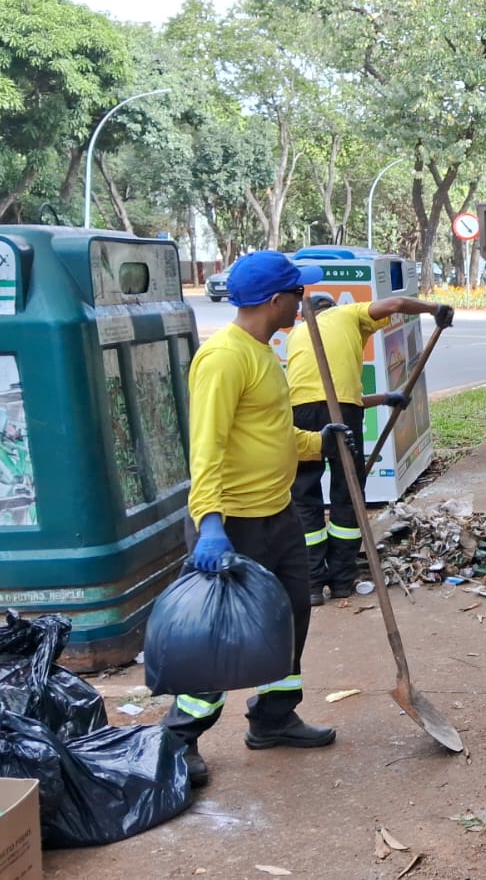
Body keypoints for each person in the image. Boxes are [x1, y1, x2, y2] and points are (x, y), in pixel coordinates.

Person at [166, 250, 358, 789]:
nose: (303, 302)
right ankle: (179, 737)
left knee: (292, 615)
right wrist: (209, 522)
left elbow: (270, 435)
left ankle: (274, 718)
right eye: (297, 293)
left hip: (277, 515)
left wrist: (316, 442)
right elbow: (206, 448)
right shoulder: (224, 358)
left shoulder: (261, 352)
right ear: (277, 301)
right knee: (219, 635)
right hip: (233, 525)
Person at [285, 292, 454, 604]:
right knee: (347, 494)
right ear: (333, 308)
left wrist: (385, 398)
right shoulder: (348, 314)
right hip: (342, 411)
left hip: (301, 412)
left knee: (305, 495)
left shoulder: (299, 332)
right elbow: (397, 304)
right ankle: (341, 580)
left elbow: (324, 398)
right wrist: (436, 309)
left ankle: (311, 584)